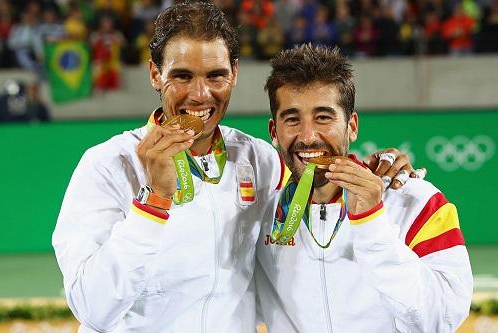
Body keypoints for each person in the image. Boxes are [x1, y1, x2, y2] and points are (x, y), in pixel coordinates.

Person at [52, 2, 420, 332]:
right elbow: (93, 309)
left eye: (215, 75)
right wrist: (153, 203)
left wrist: (385, 166)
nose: (200, 94)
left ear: (234, 74)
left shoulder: (257, 159)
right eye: (182, 76)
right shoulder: (106, 165)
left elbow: (316, 168)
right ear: (154, 74)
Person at [255, 44, 473, 332]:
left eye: (324, 117)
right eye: (293, 119)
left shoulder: (418, 203)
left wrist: (372, 224)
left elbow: (440, 319)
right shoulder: (259, 215)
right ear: (274, 132)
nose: (308, 137)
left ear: (352, 126)